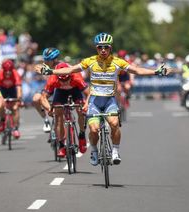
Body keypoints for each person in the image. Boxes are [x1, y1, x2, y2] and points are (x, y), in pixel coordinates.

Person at [35, 32, 170, 166]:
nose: (103, 50)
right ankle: (94, 150)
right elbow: (71, 70)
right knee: (93, 130)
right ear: (96, 48)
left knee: (114, 124)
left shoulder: (118, 62)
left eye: (106, 47)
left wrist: (157, 71)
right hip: (94, 101)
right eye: (100, 47)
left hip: (109, 100)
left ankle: (115, 151)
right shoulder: (90, 61)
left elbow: (137, 70)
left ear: (110, 48)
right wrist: (51, 72)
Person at [41, 62, 89, 157]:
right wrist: (49, 109)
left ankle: (82, 135)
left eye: (67, 79)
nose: (65, 82)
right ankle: (61, 145)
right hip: (60, 92)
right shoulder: (53, 79)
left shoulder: (76, 77)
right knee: (58, 115)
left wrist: (86, 105)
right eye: (62, 80)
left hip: (75, 90)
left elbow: (89, 94)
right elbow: (43, 98)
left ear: (70, 75)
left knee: (80, 111)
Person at [32, 47, 61, 133]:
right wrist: (40, 70)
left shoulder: (62, 66)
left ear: (55, 59)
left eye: (49, 60)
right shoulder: (44, 65)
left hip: (58, 88)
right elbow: (37, 67)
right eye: (45, 59)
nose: (46, 62)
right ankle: (45, 119)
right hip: (46, 88)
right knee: (36, 99)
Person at [0, 59, 22, 138]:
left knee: (15, 108)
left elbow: (19, 88)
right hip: (2, 90)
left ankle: (16, 129)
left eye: (10, 70)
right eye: (6, 71)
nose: (8, 72)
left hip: (12, 89)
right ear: (3, 69)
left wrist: (19, 99)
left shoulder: (16, 74)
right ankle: (0, 123)